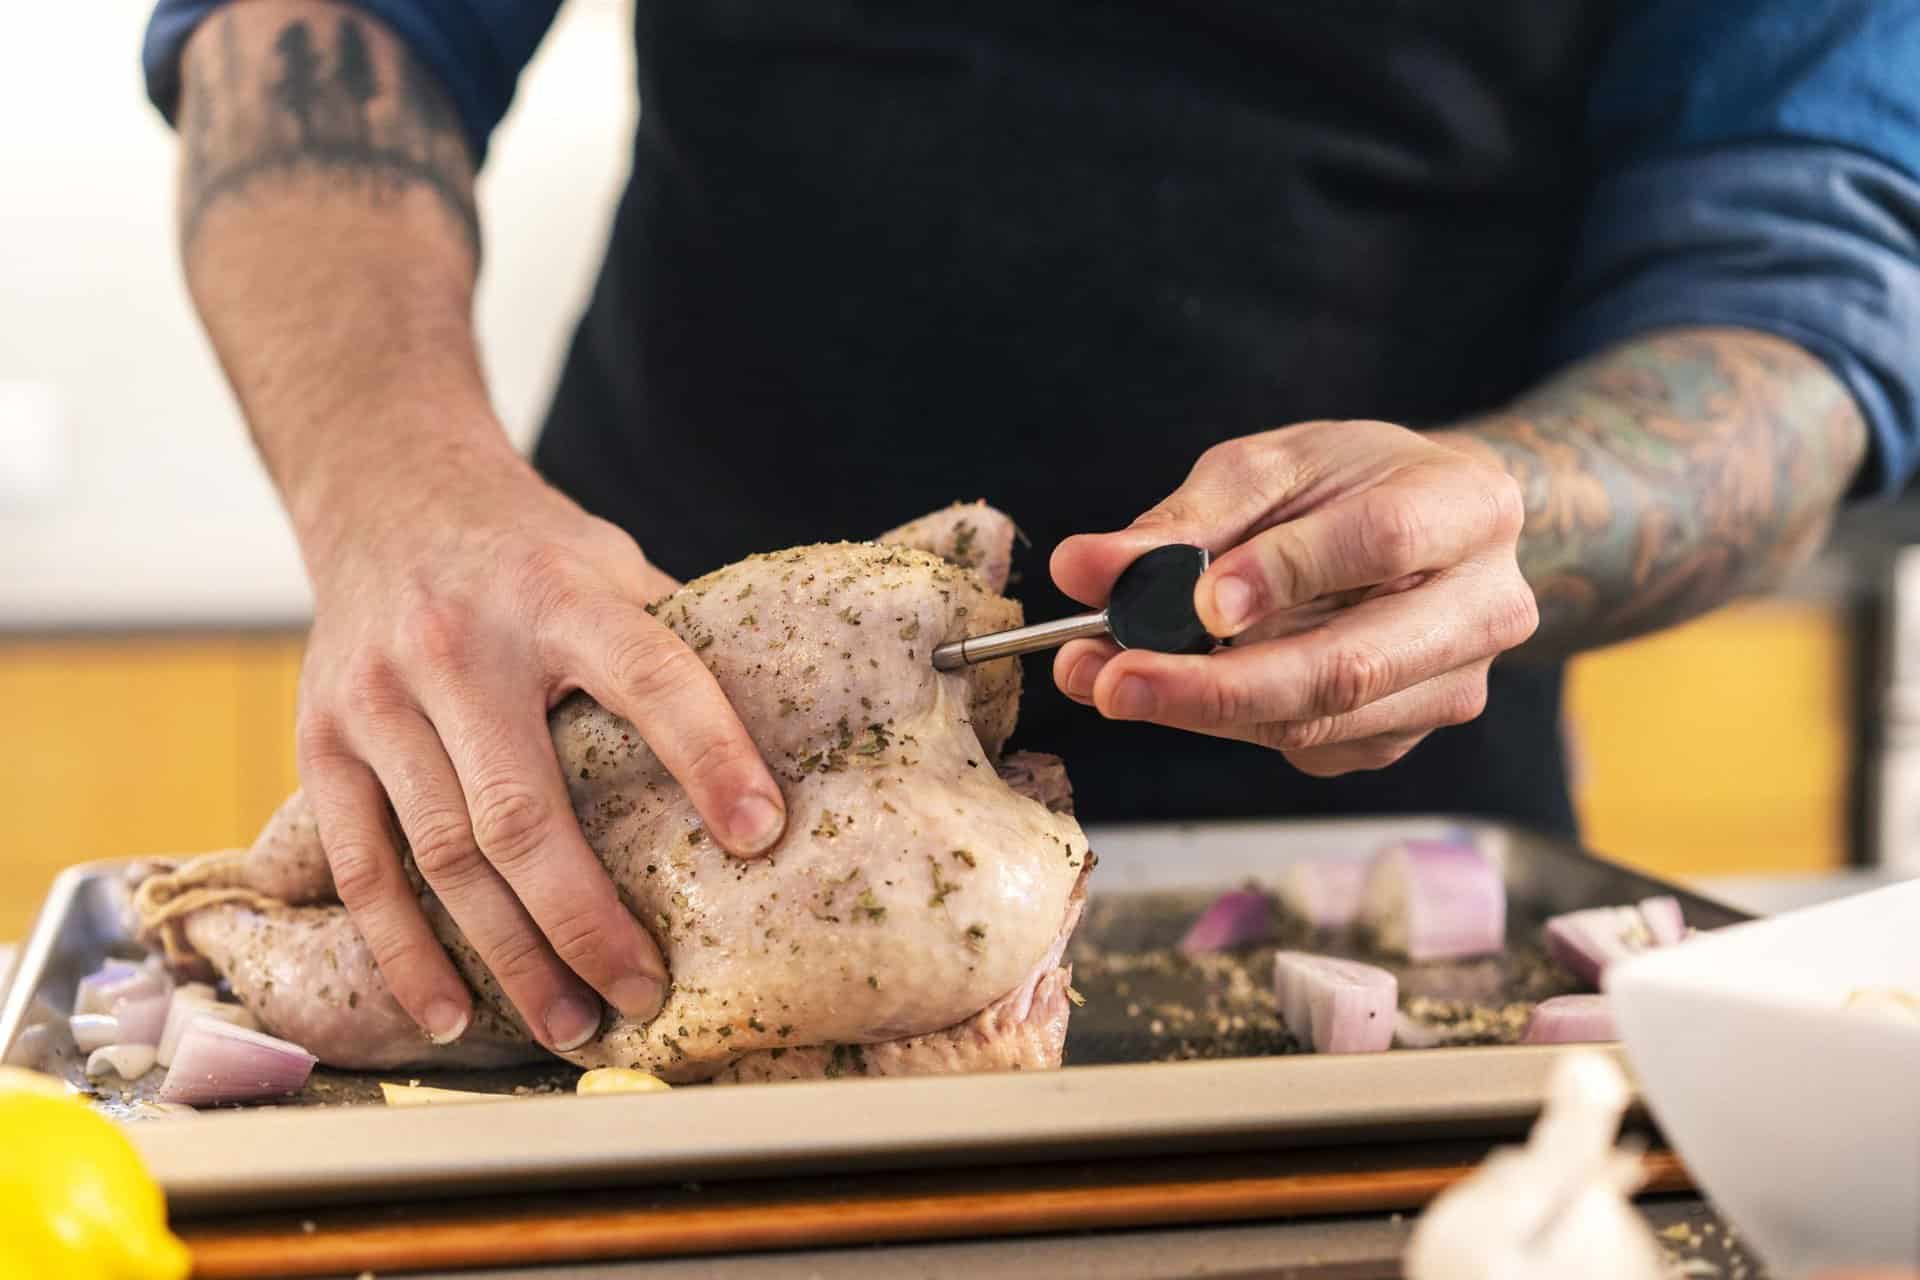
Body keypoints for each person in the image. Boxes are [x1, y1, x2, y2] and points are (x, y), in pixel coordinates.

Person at [140, 0, 1919, 1053]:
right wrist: (406, 494)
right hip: (627, 695)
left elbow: (1803, 287)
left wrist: (1506, 520)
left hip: (1383, 818)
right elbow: (318, 32)